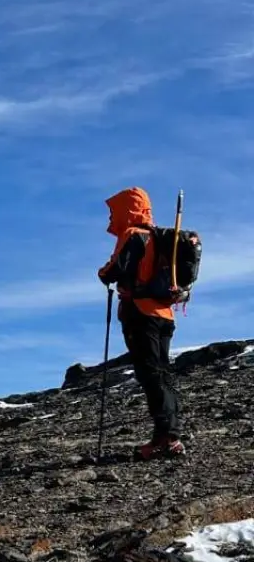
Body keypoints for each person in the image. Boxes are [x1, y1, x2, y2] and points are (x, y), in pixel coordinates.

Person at [98, 187, 184, 459]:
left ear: (129, 208)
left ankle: (165, 438)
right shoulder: (162, 239)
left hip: (140, 313)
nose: (112, 217)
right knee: (162, 373)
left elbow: (113, 271)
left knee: (151, 375)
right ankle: (169, 434)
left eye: (116, 211)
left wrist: (103, 272)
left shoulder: (133, 235)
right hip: (164, 315)